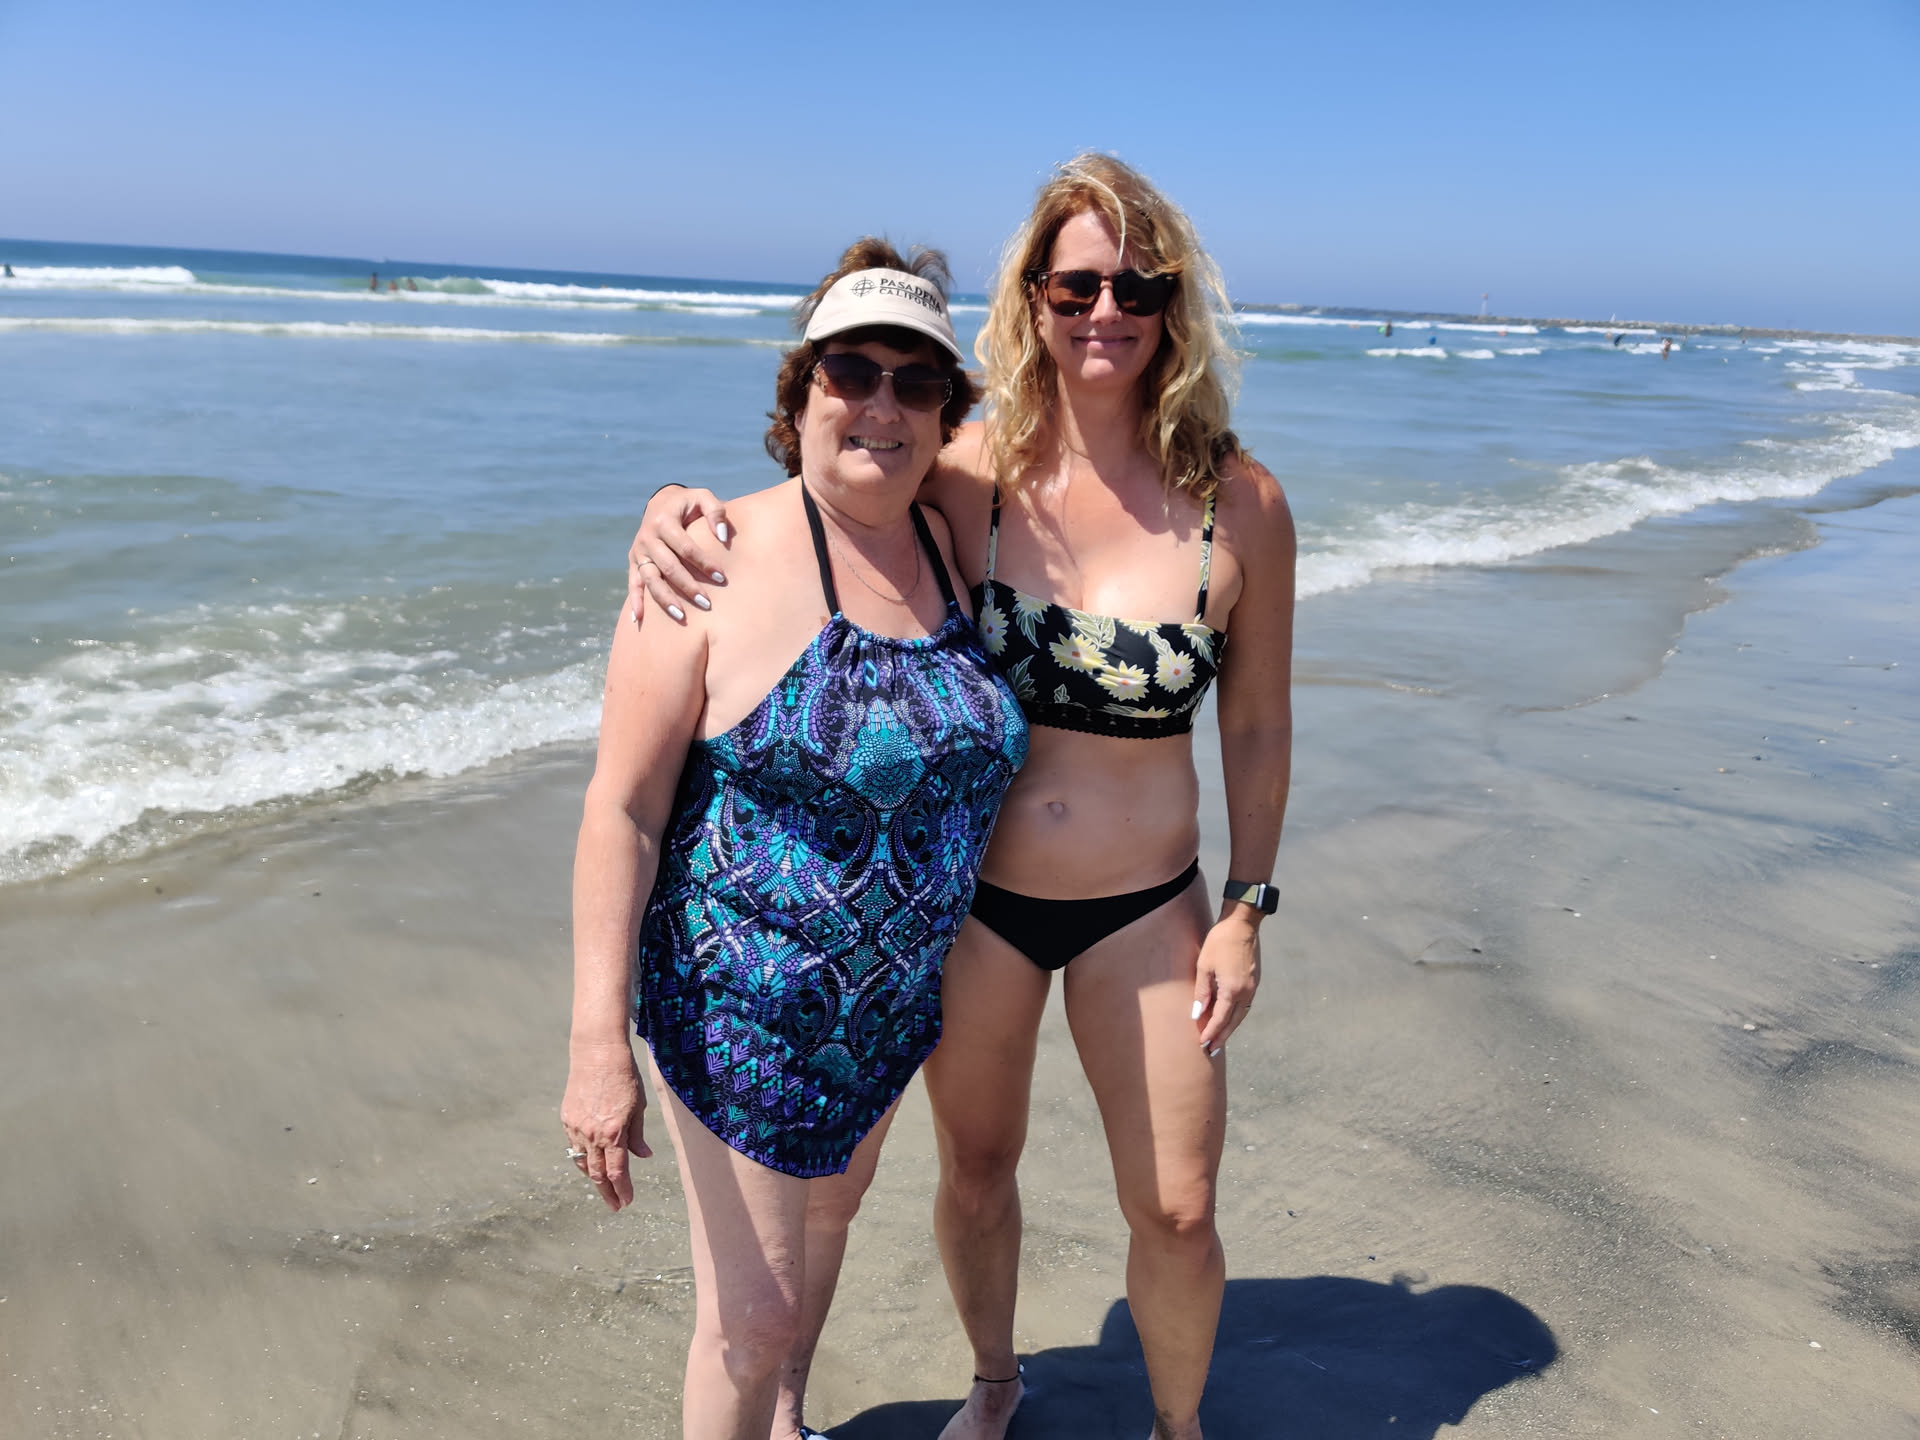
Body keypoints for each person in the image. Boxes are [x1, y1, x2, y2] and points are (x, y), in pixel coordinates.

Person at [630, 154, 1296, 1440]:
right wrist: (669, 509)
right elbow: (811, 492)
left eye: (1140, 287)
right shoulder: (962, 469)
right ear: (1033, 296)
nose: (1107, 312)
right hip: (974, 909)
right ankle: (994, 1382)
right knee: (977, 1169)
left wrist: (1247, 907)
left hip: (1148, 909)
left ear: (1176, 306)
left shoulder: (1243, 505)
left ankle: (1180, 1431)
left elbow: (1258, 723)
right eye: (1077, 285)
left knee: (1178, 1207)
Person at [566, 239, 1027, 1440]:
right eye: (851, 372)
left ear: (947, 413)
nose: (882, 404)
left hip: (890, 1008)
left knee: (830, 1221)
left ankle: (785, 1426)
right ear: (801, 390)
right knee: (752, 1319)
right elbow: (622, 808)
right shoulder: (706, 562)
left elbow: (1099, 438)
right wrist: (596, 1045)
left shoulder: (952, 539)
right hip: (740, 1004)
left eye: (916, 382)